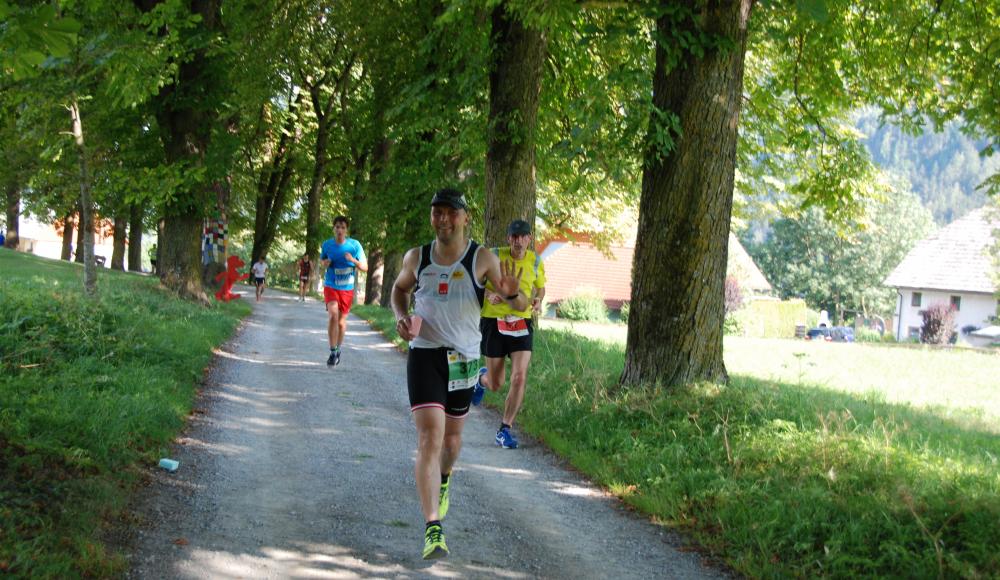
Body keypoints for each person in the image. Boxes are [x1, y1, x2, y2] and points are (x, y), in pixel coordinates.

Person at [391, 188, 526, 560]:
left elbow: (518, 301)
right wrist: (401, 318)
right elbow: (398, 290)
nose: (443, 219)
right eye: (437, 212)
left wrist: (514, 296)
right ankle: (433, 528)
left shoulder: (480, 258)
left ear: (466, 217)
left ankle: (444, 479)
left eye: (451, 212)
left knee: (450, 445)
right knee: (429, 439)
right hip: (425, 355)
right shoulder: (416, 257)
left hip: (464, 359)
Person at [471, 219, 546, 449]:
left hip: (521, 321)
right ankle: (481, 380)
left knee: (520, 376)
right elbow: (475, 282)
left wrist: (538, 299)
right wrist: (486, 295)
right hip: (494, 321)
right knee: (496, 383)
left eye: (523, 236)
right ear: (508, 238)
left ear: (529, 239)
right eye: (514, 236)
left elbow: (540, 287)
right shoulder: (493, 255)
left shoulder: (535, 261)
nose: (518, 241)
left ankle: (505, 429)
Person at [320, 215, 367, 366]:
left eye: (343, 227)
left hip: (347, 288)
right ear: (333, 229)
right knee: (333, 316)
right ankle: (333, 352)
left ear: (346, 230)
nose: (340, 230)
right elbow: (322, 261)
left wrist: (353, 260)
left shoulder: (354, 246)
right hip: (331, 285)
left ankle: (339, 348)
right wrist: (325, 263)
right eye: (337, 227)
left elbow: (365, 268)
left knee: (341, 321)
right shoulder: (327, 245)